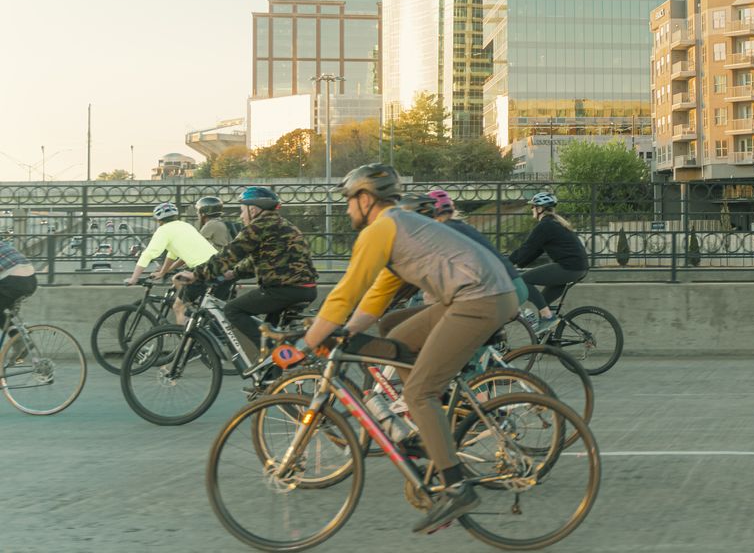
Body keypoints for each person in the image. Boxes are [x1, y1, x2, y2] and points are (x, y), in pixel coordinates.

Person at [293, 163, 519, 532]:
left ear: (366, 199)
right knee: (395, 343)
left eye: (349, 201)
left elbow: (345, 292)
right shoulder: (396, 227)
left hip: (479, 299)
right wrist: (347, 331)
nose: (347, 209)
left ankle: (456, 487)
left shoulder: (381, 229)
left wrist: (305, 343)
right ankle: (427, 430)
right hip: (475, 296)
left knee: (419, 391)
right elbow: (376, 294)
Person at [180, 186, 316, 364]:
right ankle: (273, 377)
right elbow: (260, 260)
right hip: (304, 288)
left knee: (232, 310)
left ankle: (274, 353)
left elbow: (230, 254)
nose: (240, 216)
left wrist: (196, 275)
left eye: (242, 211)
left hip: (283, 289)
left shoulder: (258, 226)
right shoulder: (282, 224)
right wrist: (233, 274)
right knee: (269, 329)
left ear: (253, 210)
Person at [510, 192, 589, 332]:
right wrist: (518, 262)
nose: (531, 210)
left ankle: (547, 317)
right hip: (577, 268)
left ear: (540, 209)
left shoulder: (545, 226)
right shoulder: (554, 223)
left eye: (533, 207)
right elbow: (533, 252)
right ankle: (548, 343)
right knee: (543, 303)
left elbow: (526, 248)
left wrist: (505, 263)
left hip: (569, 267)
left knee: (523, 281)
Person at [127, 202, 220, 317]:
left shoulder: (163, 230)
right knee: (178, 280)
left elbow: (148, 254)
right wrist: (163, 272)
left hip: (203, 268)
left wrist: (134, 278)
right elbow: (173, 255)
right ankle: (193, 311)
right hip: (219, 263)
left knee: (178, 307)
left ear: (159, 220)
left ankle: (189, 331)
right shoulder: (185, 225)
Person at [0, 236, 37, 326]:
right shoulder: (3, 245)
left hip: (14, 282)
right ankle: (16, 336)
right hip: (31, 280)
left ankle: (16, 336)